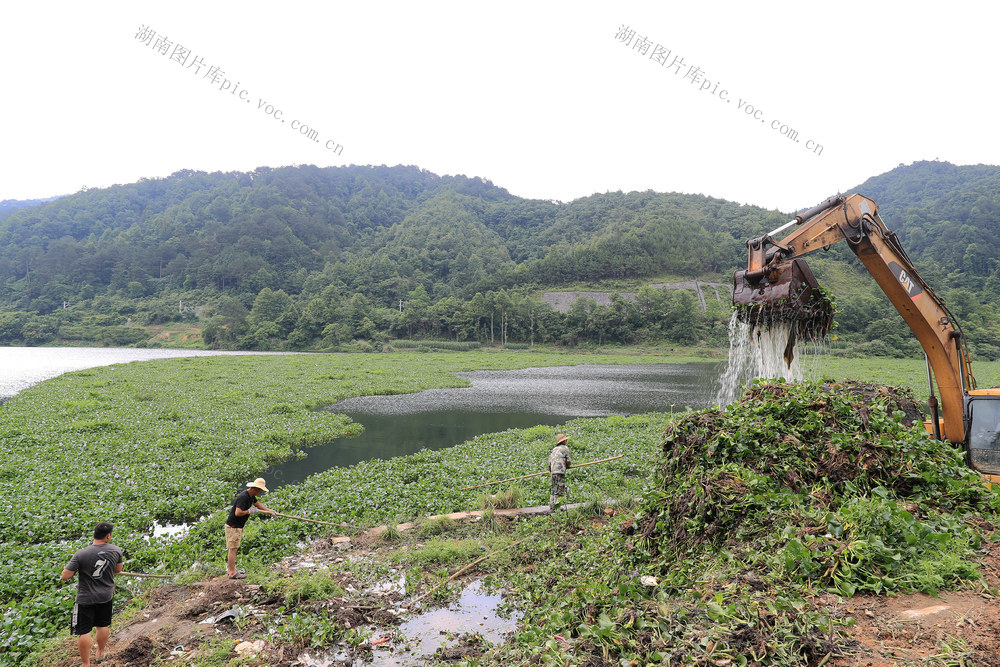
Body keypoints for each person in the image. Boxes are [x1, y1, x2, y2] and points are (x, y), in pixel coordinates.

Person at [61, 521, 124, 667]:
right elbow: (118, 570)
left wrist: (77, 570)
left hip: (85, 598)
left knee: (84, 631)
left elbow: (65, 576)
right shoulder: (115, 551)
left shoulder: (81, 554)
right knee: (102, 625)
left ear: (94, 535)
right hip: (105, 597)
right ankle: (100, 653)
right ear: (108, 536)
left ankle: (85, 663)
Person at [225, 477, 272, 579]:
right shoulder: (244, 497)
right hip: (234, 526)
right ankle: (232, 572)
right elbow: (238, 513)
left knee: (235, 547)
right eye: (260, 490)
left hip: (238, 526)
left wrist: (269, 511)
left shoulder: (251, 496)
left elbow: (257, 504)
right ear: (255, 488)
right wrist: (249, 511)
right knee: (233, 549)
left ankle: (231, 569)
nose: (260, 493)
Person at [548, 433, 571, 508]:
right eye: (565, 440)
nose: (566, 441)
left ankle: (551, 505)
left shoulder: (554, 449)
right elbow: (568, 461)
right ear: (563, 441)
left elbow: (549, 462)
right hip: (560, 471)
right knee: (560, 489)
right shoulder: (565, 448)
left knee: (553, 488)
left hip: (553, 471)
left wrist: (550, 470)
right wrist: (567, 466)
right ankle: (558, 507)